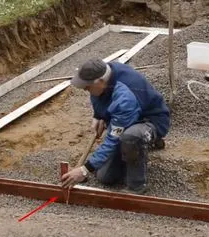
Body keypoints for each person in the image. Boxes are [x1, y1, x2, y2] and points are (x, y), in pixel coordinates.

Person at [61, 58, 170, 194]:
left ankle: (136, 186)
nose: (85, 90)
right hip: (128, 117)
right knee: (105, 177)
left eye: (87, 87)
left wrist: (84, 170)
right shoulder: (105, 74)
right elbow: (98, 98)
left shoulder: (125, 98)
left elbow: (113, 138)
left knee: (131, 137)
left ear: (100, 82)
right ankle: (133, 148)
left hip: (151, 121)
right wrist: (98, 116)